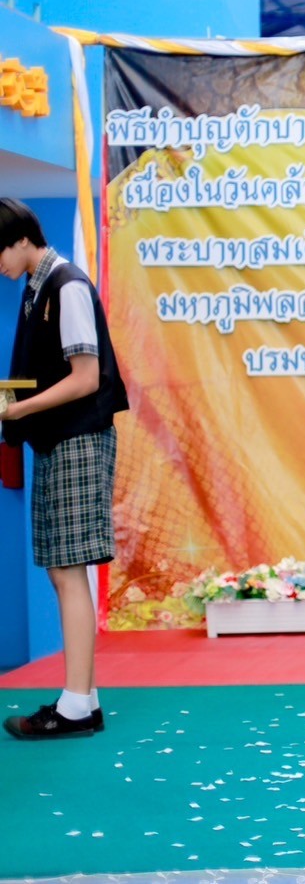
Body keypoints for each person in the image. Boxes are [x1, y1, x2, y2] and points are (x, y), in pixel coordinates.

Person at [1, 198, 128, 740]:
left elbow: (86, 377)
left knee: (68, 569)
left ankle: (76, 706)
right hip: (59, 441)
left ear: (21, 239)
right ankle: (83, 697)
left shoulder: (66, 285)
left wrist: (18, 410)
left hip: (78, 439)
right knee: (61, 570)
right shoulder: (37, 288)